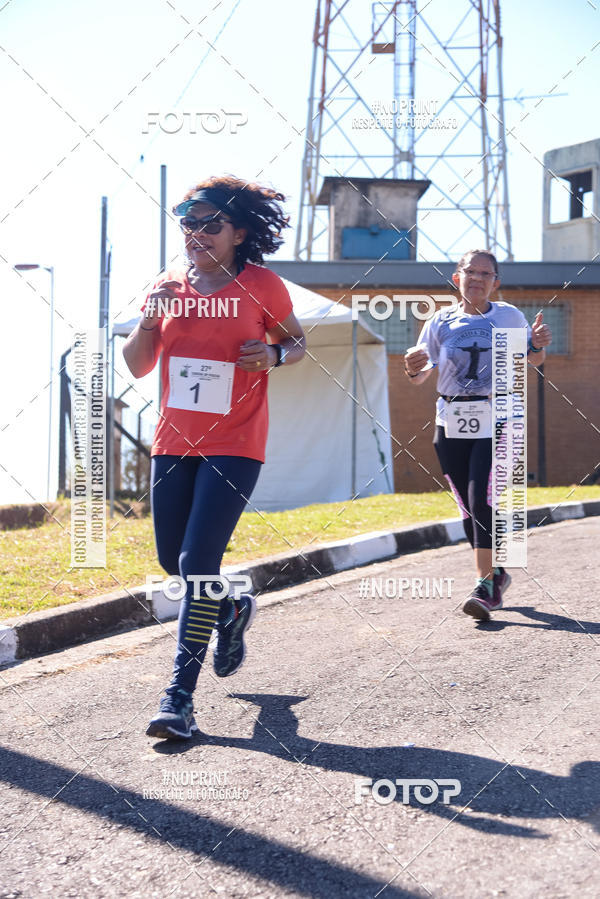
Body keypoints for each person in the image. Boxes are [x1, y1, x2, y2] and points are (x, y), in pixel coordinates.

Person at [123, 176, 306, 738]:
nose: (196, 234)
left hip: (237, 441)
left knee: (197, 562)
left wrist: (273, 354)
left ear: (238, 233)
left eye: (210, 225)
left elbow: (297, 342)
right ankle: (228, 609)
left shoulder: (263, 285)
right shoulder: (167, 286)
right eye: (189, 224)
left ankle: (178, 698)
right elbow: (136, 364)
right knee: (171, 562)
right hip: (174, 441)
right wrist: (148, 319)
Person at [404, 249, 552, 621]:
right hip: (450, 420)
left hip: (498, 417)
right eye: (471, 272)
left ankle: (484, 587)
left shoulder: (508, 316)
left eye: (486, 274)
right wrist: (412, 368)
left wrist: (536, 343)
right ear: (457, 278)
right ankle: (497, 574)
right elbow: (422, 373)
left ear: (495, 283)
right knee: (467, 507)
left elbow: (533, 358)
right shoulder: (441, 321)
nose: (478, 279)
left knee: (481, 497)